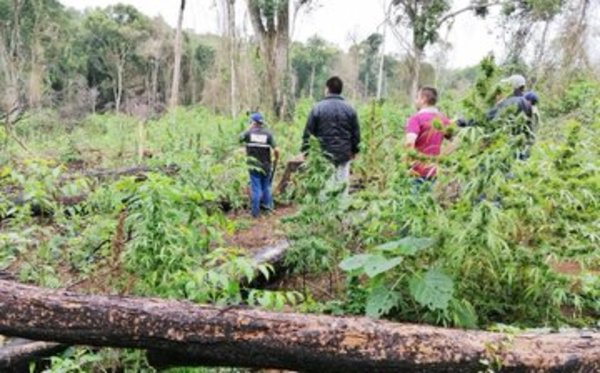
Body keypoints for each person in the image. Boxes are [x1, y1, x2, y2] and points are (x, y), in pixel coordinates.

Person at [301, 76, 360, 189]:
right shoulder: (350, 109)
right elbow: (356, 134)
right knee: (342, 185)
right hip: (344, 153)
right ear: (340, 90)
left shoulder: (317, 108)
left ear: (327, 89)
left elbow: (308, 132)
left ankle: (325, 206)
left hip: (323, 154)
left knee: (325, 185)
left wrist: (306, 151)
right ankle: (341, 206)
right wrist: (354, 151)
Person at [404, 86, 452, 187]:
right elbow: (454, 139)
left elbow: (409, 143)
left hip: (417, 171)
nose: (416, 101)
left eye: (417, 97)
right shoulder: (443, 120)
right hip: (434, 171)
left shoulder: (416, 118)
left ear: (423, 99)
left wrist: (408, 165)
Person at [240, 112, 279, 218]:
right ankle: (268, 209)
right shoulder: (268, 134)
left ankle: (255, 213)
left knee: (256, 188)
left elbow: (239, 138)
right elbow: (276, 149)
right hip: (266, 165)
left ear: (253, 122)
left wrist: (249, 128)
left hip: (253, 166)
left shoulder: (248, 134)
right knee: (266, 187)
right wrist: (276, 158)